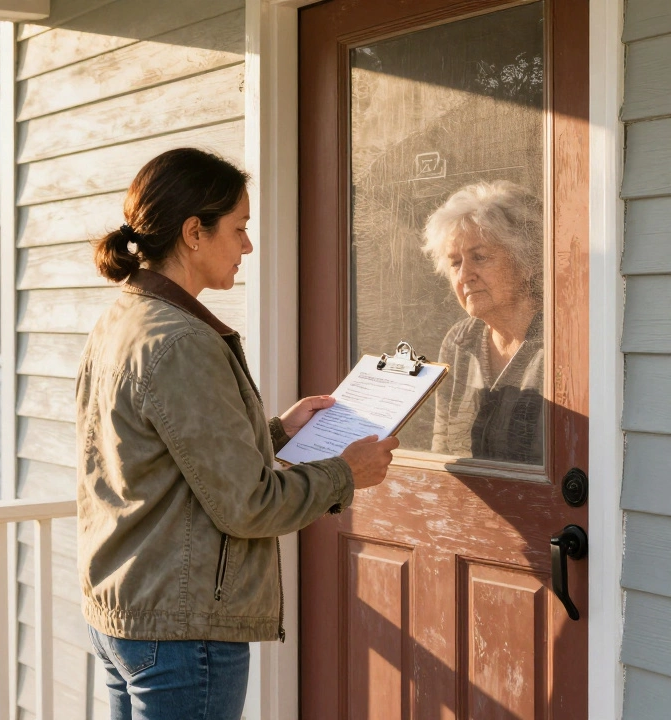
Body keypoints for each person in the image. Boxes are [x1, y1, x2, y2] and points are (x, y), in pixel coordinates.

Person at [77, 148, 398, 720]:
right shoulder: (181, 342)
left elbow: (161, 453)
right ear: (194, 233)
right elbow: (249, 505)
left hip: (127, 613)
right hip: (181, 630)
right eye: (240, 228)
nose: (248, 246)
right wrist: (345, 475)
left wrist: (276, 431)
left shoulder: (124, 319)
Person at [422, 180, 544, 464]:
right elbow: (442, 451)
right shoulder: (459, 341)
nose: (464, 276)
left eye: (480, 257)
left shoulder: (559, 342)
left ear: (527, 260)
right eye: (455, 262)